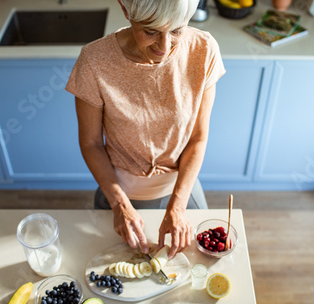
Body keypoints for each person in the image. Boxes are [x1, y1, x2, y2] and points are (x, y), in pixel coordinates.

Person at [65, 0, 225, 259]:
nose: (164, 47)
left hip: (181, 190)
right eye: (150, 31)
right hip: (118, 192)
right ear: (126, 10)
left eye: (177, 30)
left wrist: (178, 205)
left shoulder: (203, 49)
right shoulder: (94, 62)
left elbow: (198, 138)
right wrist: (119, 205)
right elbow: (91, 143)